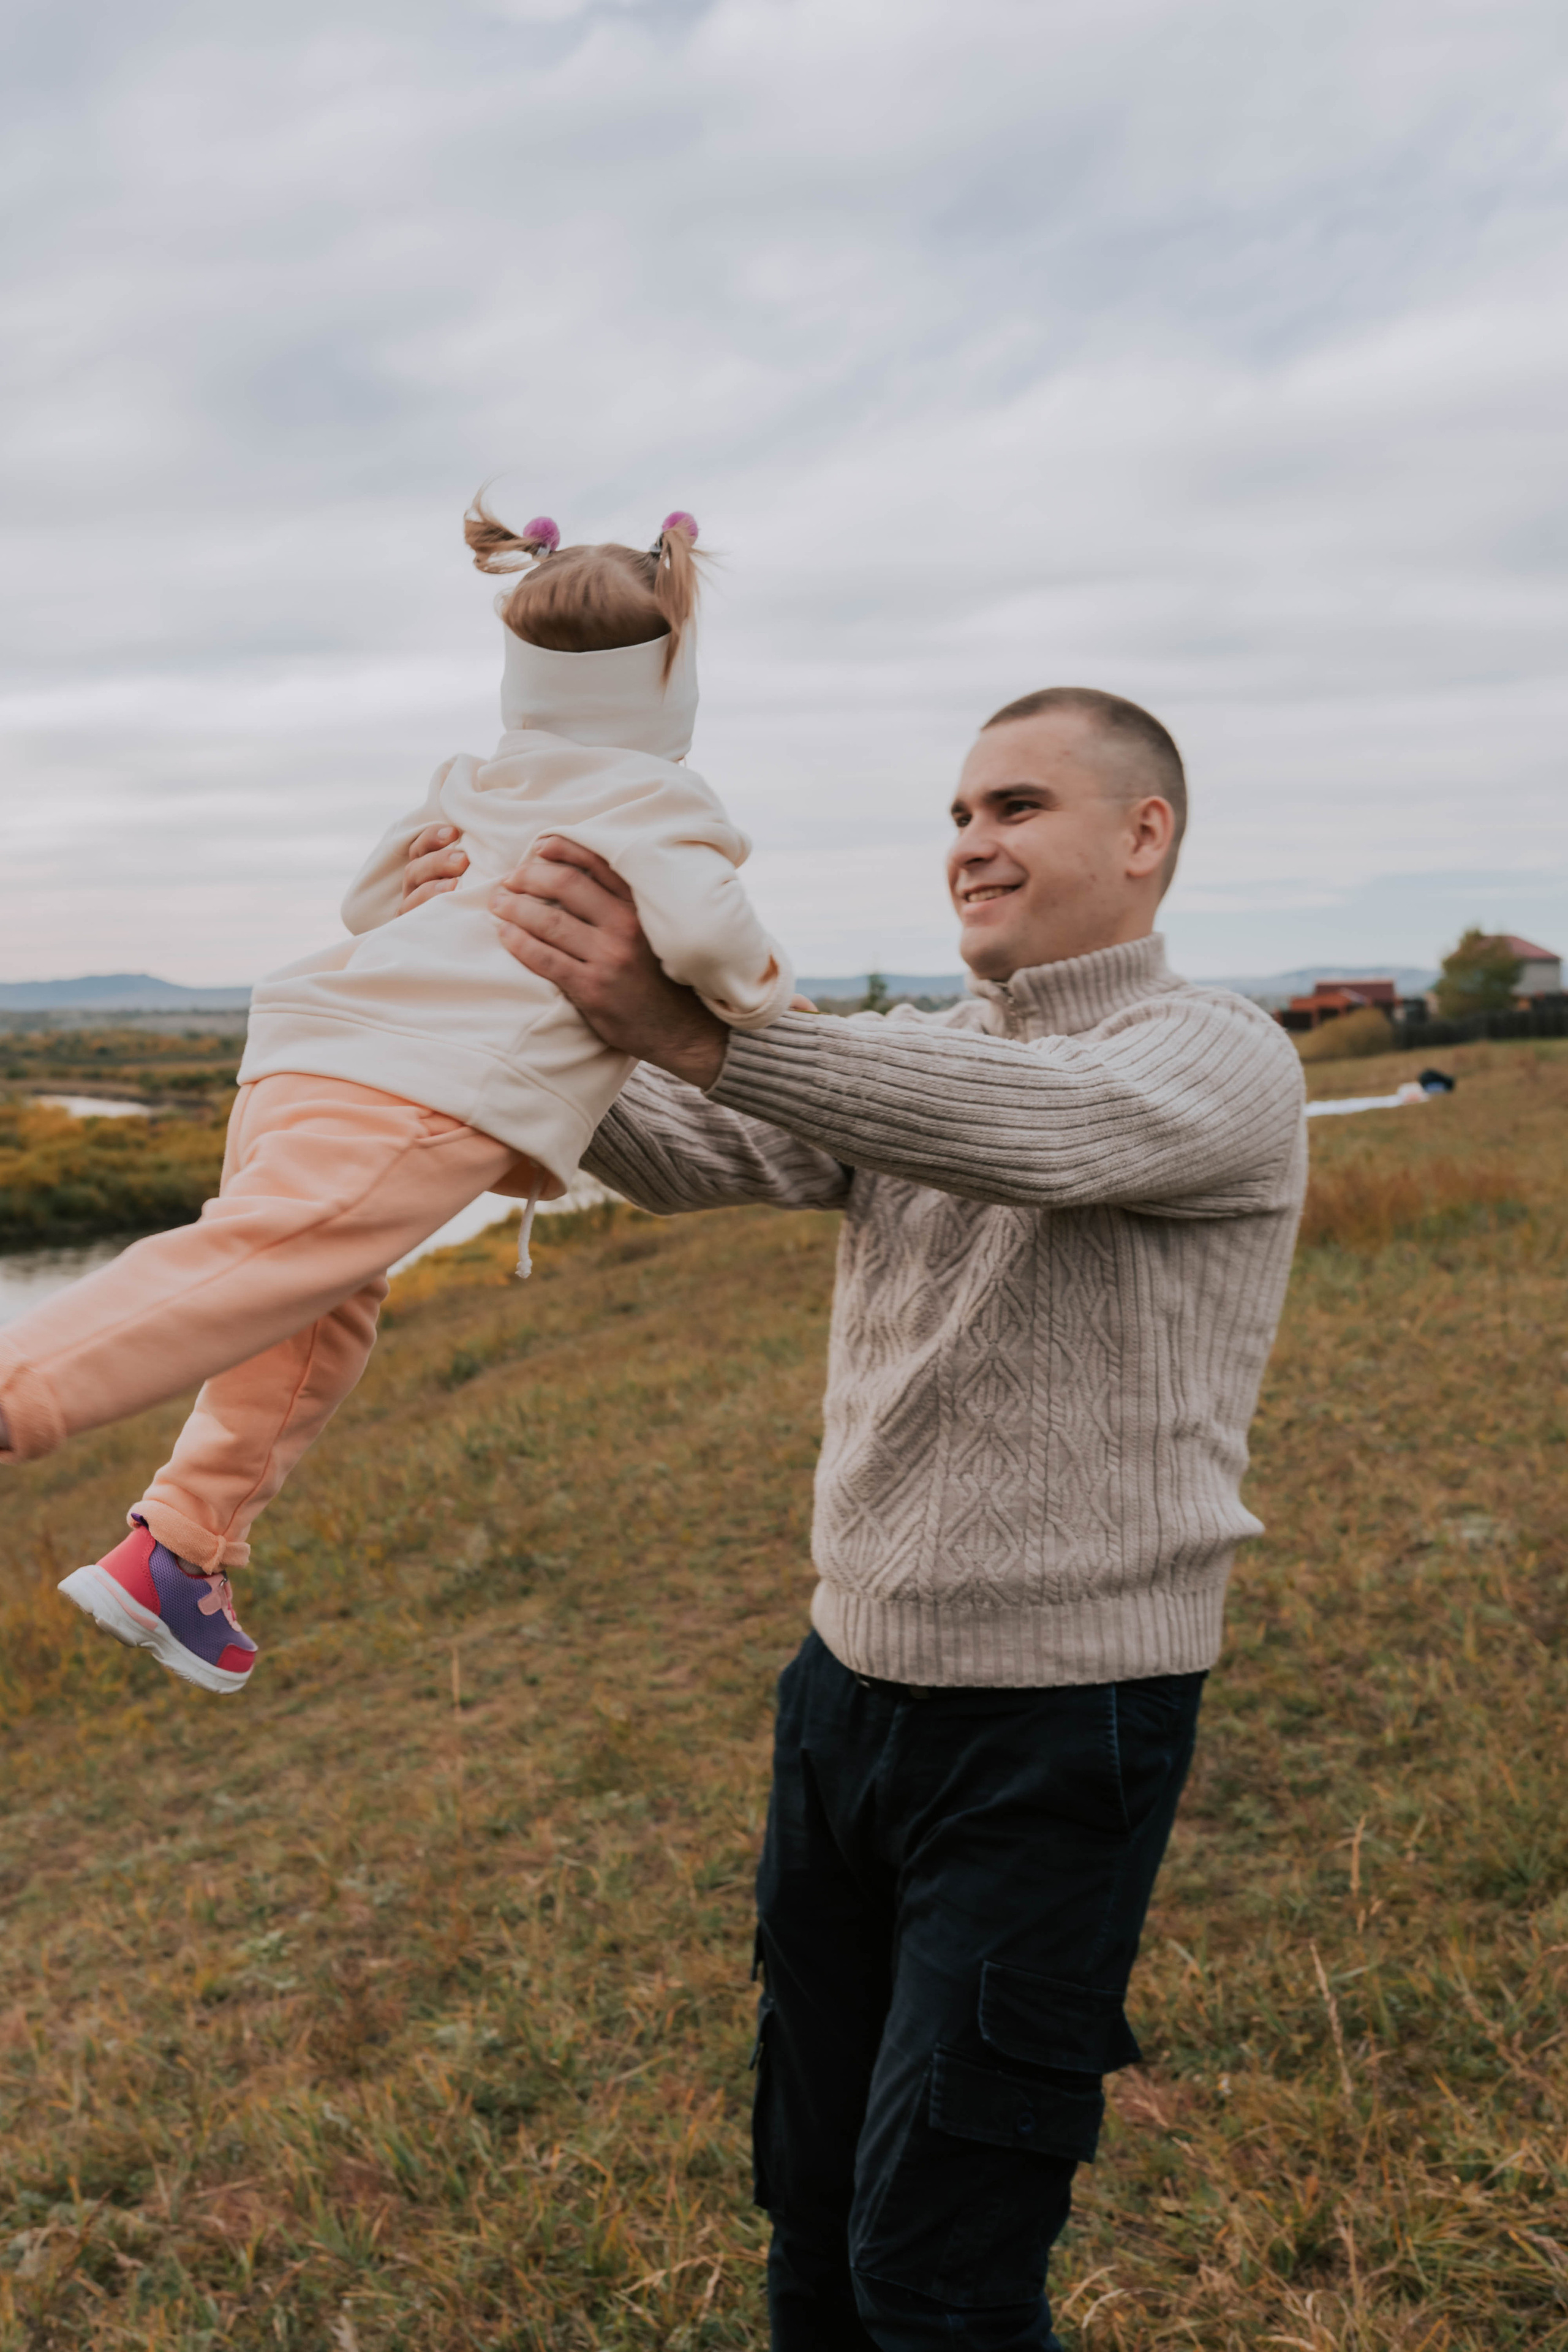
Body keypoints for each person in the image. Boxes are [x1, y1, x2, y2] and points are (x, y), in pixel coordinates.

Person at [402, 684, 1306, 2351]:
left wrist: (703, 1027)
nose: (972, 844)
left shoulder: (1217, 1059)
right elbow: (688, 1147)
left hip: (1057, 1731)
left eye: (1018, 807)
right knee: (811, 2208)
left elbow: (1046, 1136)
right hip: (842, 1704)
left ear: (1146, 833)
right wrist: (489, 967)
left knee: (937, 2267)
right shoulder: (913, 1061)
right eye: (960, 815)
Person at [0, 503, 791, 1694]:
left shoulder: (474, 777)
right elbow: (703, 931)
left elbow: (373, 899)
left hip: (305, 1055)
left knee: (318, 1302)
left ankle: (178, 1553)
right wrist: (762, 998)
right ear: (669, 686)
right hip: (412, 1094)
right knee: (258, 1265)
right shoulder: (656, 802)